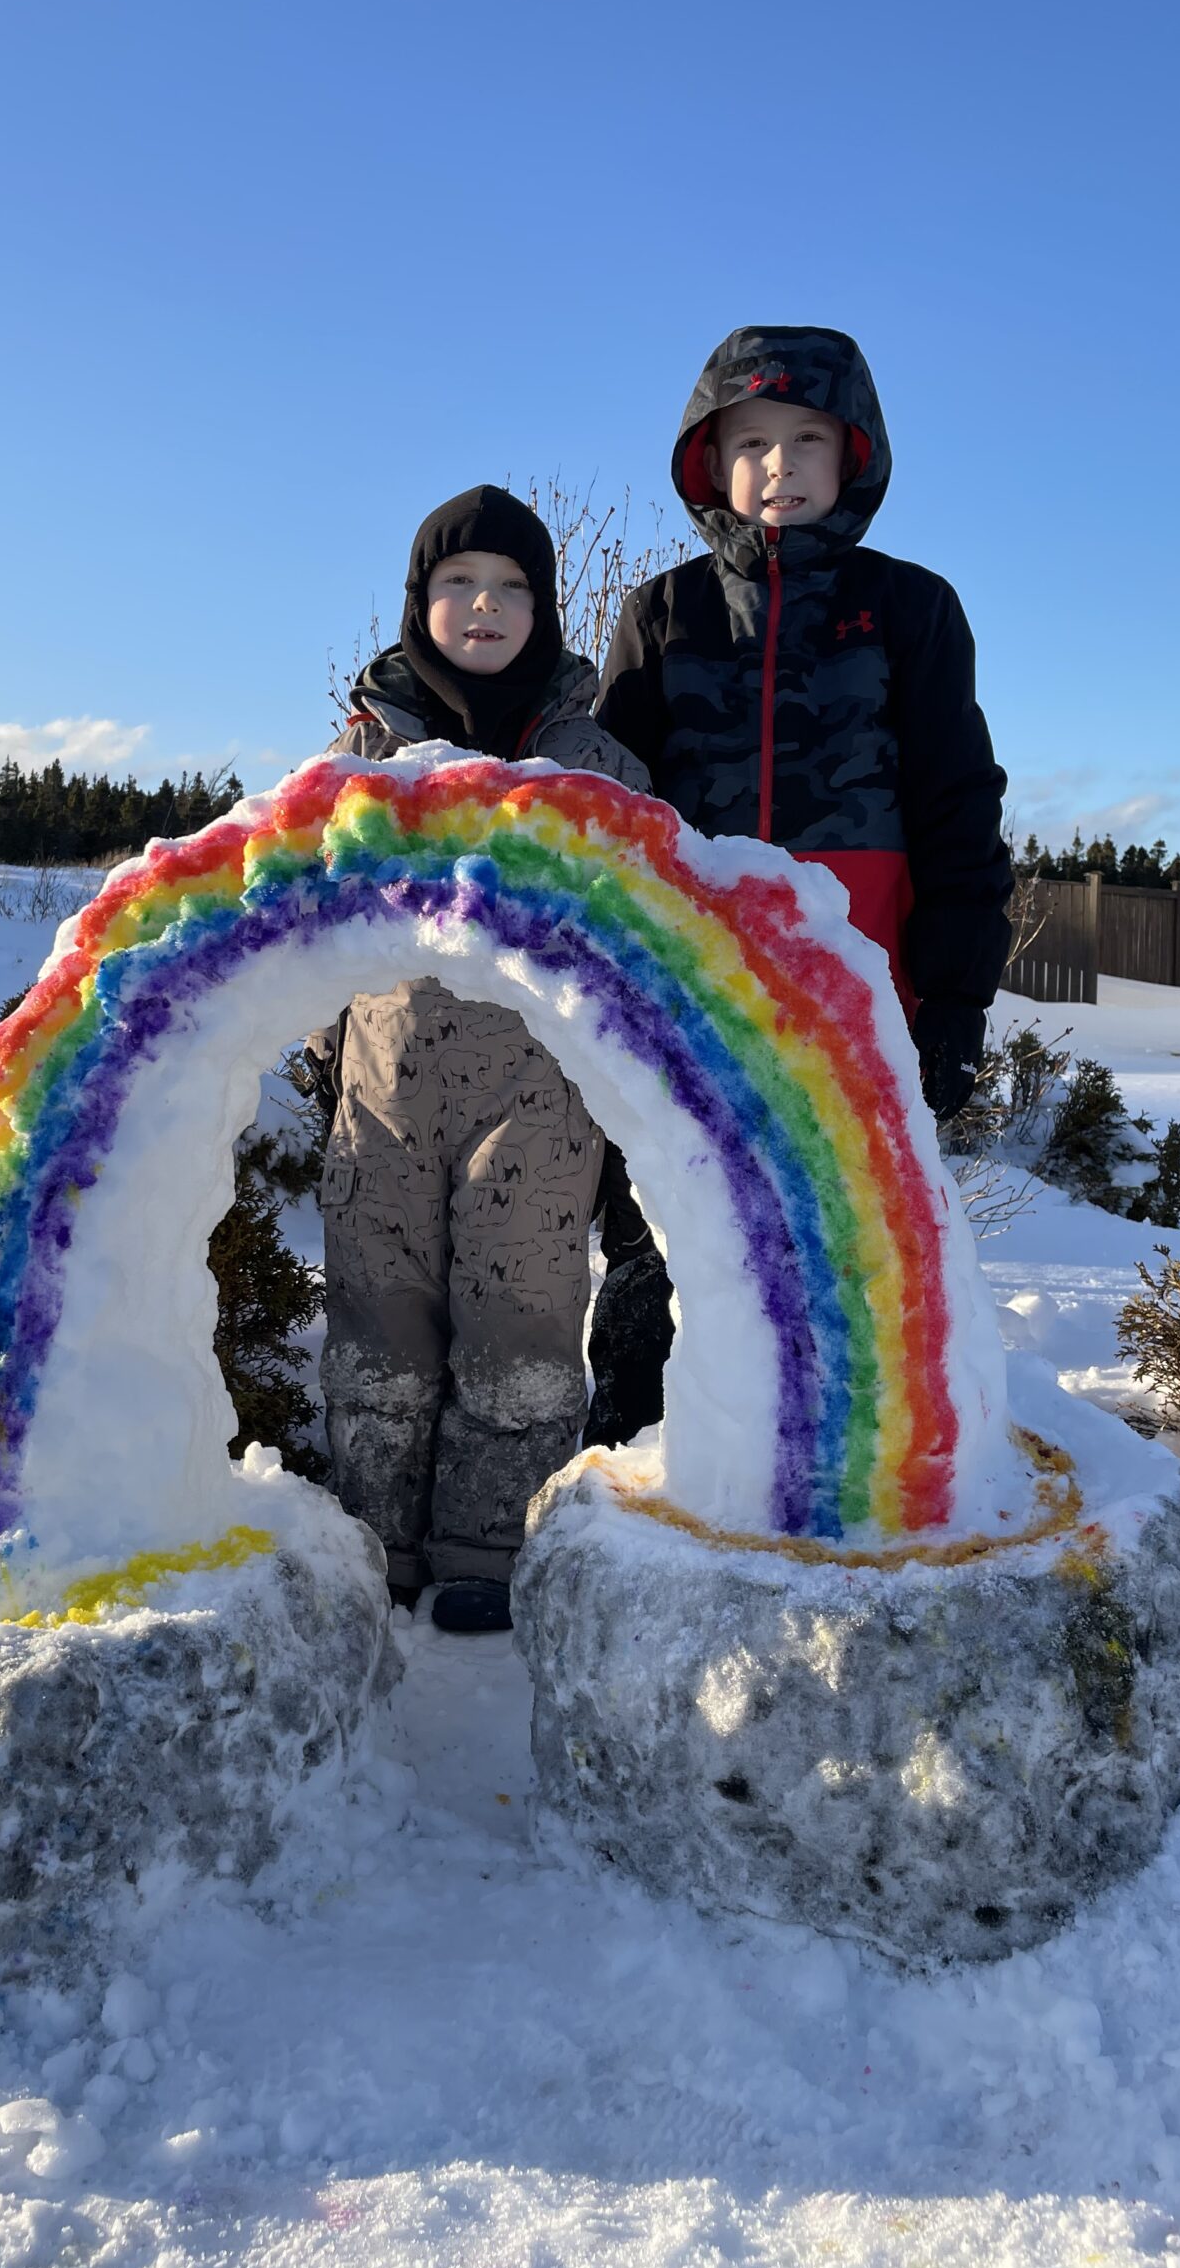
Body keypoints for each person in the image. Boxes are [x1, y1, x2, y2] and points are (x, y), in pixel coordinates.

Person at [588, 326, 1014, 1436]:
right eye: (752, 442)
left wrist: (955, 998)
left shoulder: (912, 609)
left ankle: (840, 1466)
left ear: (853, 452)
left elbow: (960, 807)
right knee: (661, 1232)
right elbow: (605, 803)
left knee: (848, 1247)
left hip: (861, 996)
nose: (779, 465)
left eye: (807, 439)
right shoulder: (664, 613)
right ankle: (636, 1456)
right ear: (710, 460)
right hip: (689, 994)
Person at [316, 484, 649, 1634]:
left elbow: (641, 933)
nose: (484, 605)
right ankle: (372, 1540)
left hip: (540, 1097)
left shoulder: (596, 766)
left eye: (512, 587)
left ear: (545, 608)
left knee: (523, 1316)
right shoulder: (359, 756)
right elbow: (300, 920)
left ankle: (487, 1548)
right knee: (379, 1319)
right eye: (458, 583)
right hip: (383, 1086)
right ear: (419, 602)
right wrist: (326, 1055)